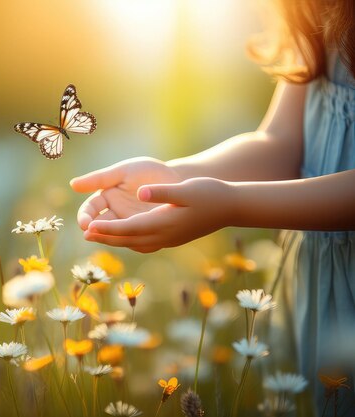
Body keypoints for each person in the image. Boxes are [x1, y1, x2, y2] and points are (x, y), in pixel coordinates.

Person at [70, 0, 355, 415]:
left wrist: (231, 204)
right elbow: (280, 143)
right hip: (320, 292)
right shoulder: (315, 9)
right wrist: (173, 177)